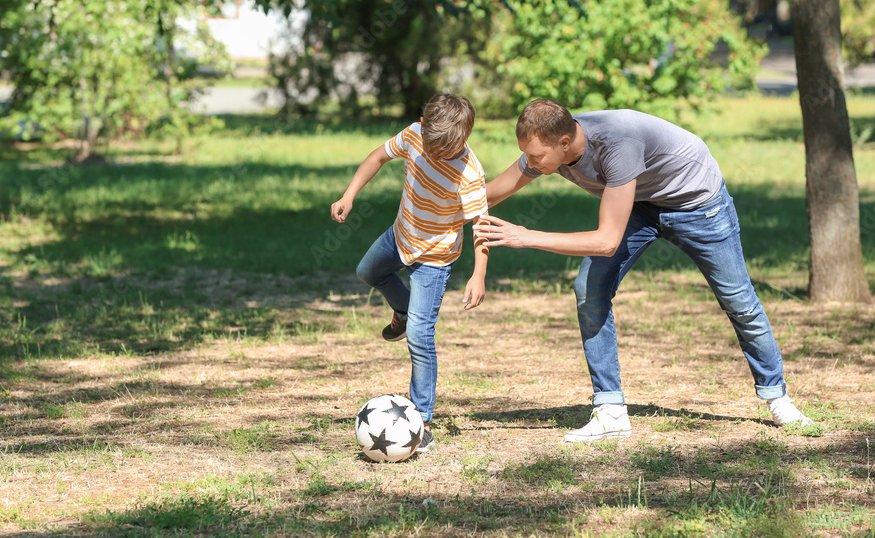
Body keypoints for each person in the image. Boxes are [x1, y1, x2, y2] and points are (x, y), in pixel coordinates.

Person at [474, 99, 813, 442]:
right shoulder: (549, 146)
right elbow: (487, 196)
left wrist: (526, 237)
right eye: (527, 156)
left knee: (738, 300)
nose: (529, 165)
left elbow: (606, 241)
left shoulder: (618, 143)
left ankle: (777, 397)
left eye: (535, 158)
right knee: (589, 290)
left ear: (565, 142)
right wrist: (435, 215)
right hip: (640, 202)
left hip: (697, 203)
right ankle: (610, 413)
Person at [331, 94, 490, 453]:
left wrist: (479, 273)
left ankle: (422, 419)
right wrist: (349, 195)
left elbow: (481, 225)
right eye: (431, 146)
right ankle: (402, 310)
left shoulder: (469, 172)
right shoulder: (416, 134)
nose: (434, 154)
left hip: (434, 258)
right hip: (400, 234)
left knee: (420, 334)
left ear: (463, 137)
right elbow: (378, 156)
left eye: (444, 149)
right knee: (367, 272)